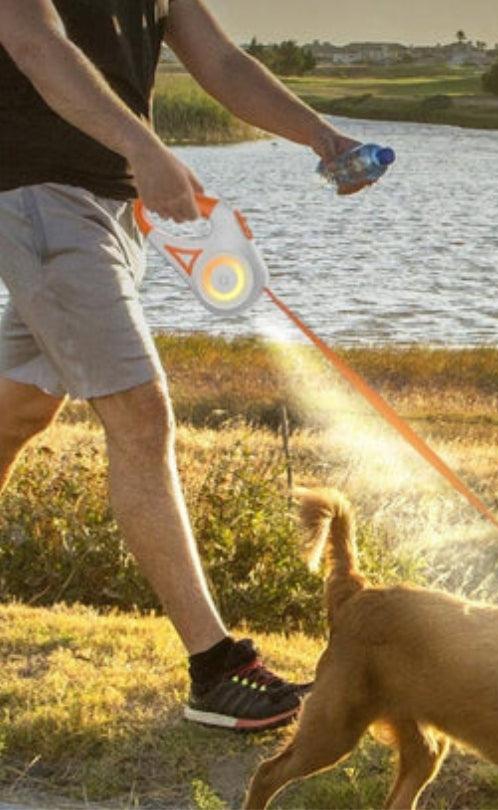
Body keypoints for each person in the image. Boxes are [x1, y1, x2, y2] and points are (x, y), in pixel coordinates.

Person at [0, 0, 363, 732]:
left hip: (107, 210)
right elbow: (35, 43)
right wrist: (144, 147)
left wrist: (323, 139)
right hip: (42, 200)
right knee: (140, 415)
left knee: (17, 413)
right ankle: (215, 669)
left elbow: (223, 63)